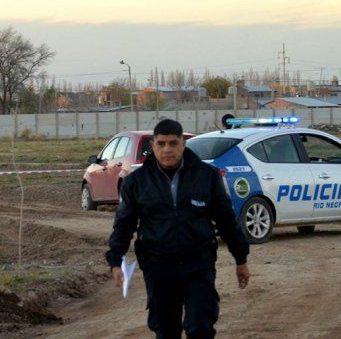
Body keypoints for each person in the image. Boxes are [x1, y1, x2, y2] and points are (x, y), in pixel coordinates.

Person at [106, 119, 250, 339]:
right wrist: (116, 261)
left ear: (183, 144)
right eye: (161, 144)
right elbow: (124, 224)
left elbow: (226, 220)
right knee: (166, 330)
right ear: (153, 146)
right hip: (158, 267)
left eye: (173, 143)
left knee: (200, 327)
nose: (167, 150)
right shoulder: (136, 182)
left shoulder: (207, 176)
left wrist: (241, 259)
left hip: (198, 264)